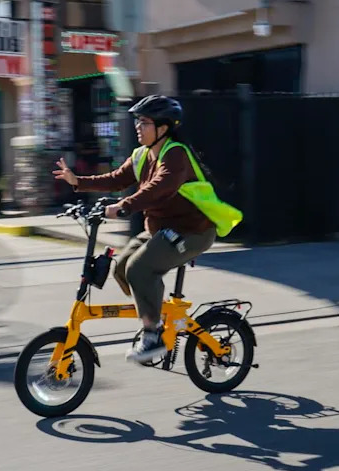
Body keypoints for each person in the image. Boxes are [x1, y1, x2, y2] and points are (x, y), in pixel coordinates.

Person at [53, 95, 218, 364]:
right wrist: (77, 181)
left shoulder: (176, 154)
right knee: (121, 268)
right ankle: (155, 314)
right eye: (137, 121)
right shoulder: (141, 155)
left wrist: (123, 207)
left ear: (163, 128)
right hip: (161, 231)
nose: (137, 127)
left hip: (192, 231)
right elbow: (117, 179)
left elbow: (160, 188)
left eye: (144, 122)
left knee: (139, 269)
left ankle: (152, 336)